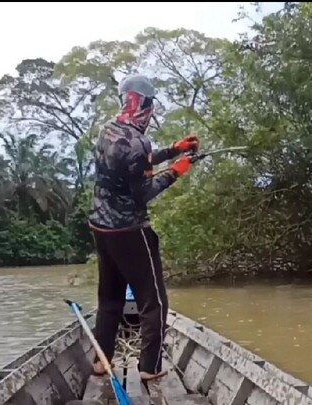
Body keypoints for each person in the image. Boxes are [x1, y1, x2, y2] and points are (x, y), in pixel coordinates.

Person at [87, 74, 198, 381]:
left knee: (110, 300)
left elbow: (135, 162)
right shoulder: (138, 140)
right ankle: (149, 367)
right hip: (130, 230)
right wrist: (176, 172)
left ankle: (100, 361)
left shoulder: (108, 131)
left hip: (100, 227)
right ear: (145, 104)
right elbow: (144, 190)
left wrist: (174, 150)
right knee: (155, 301)